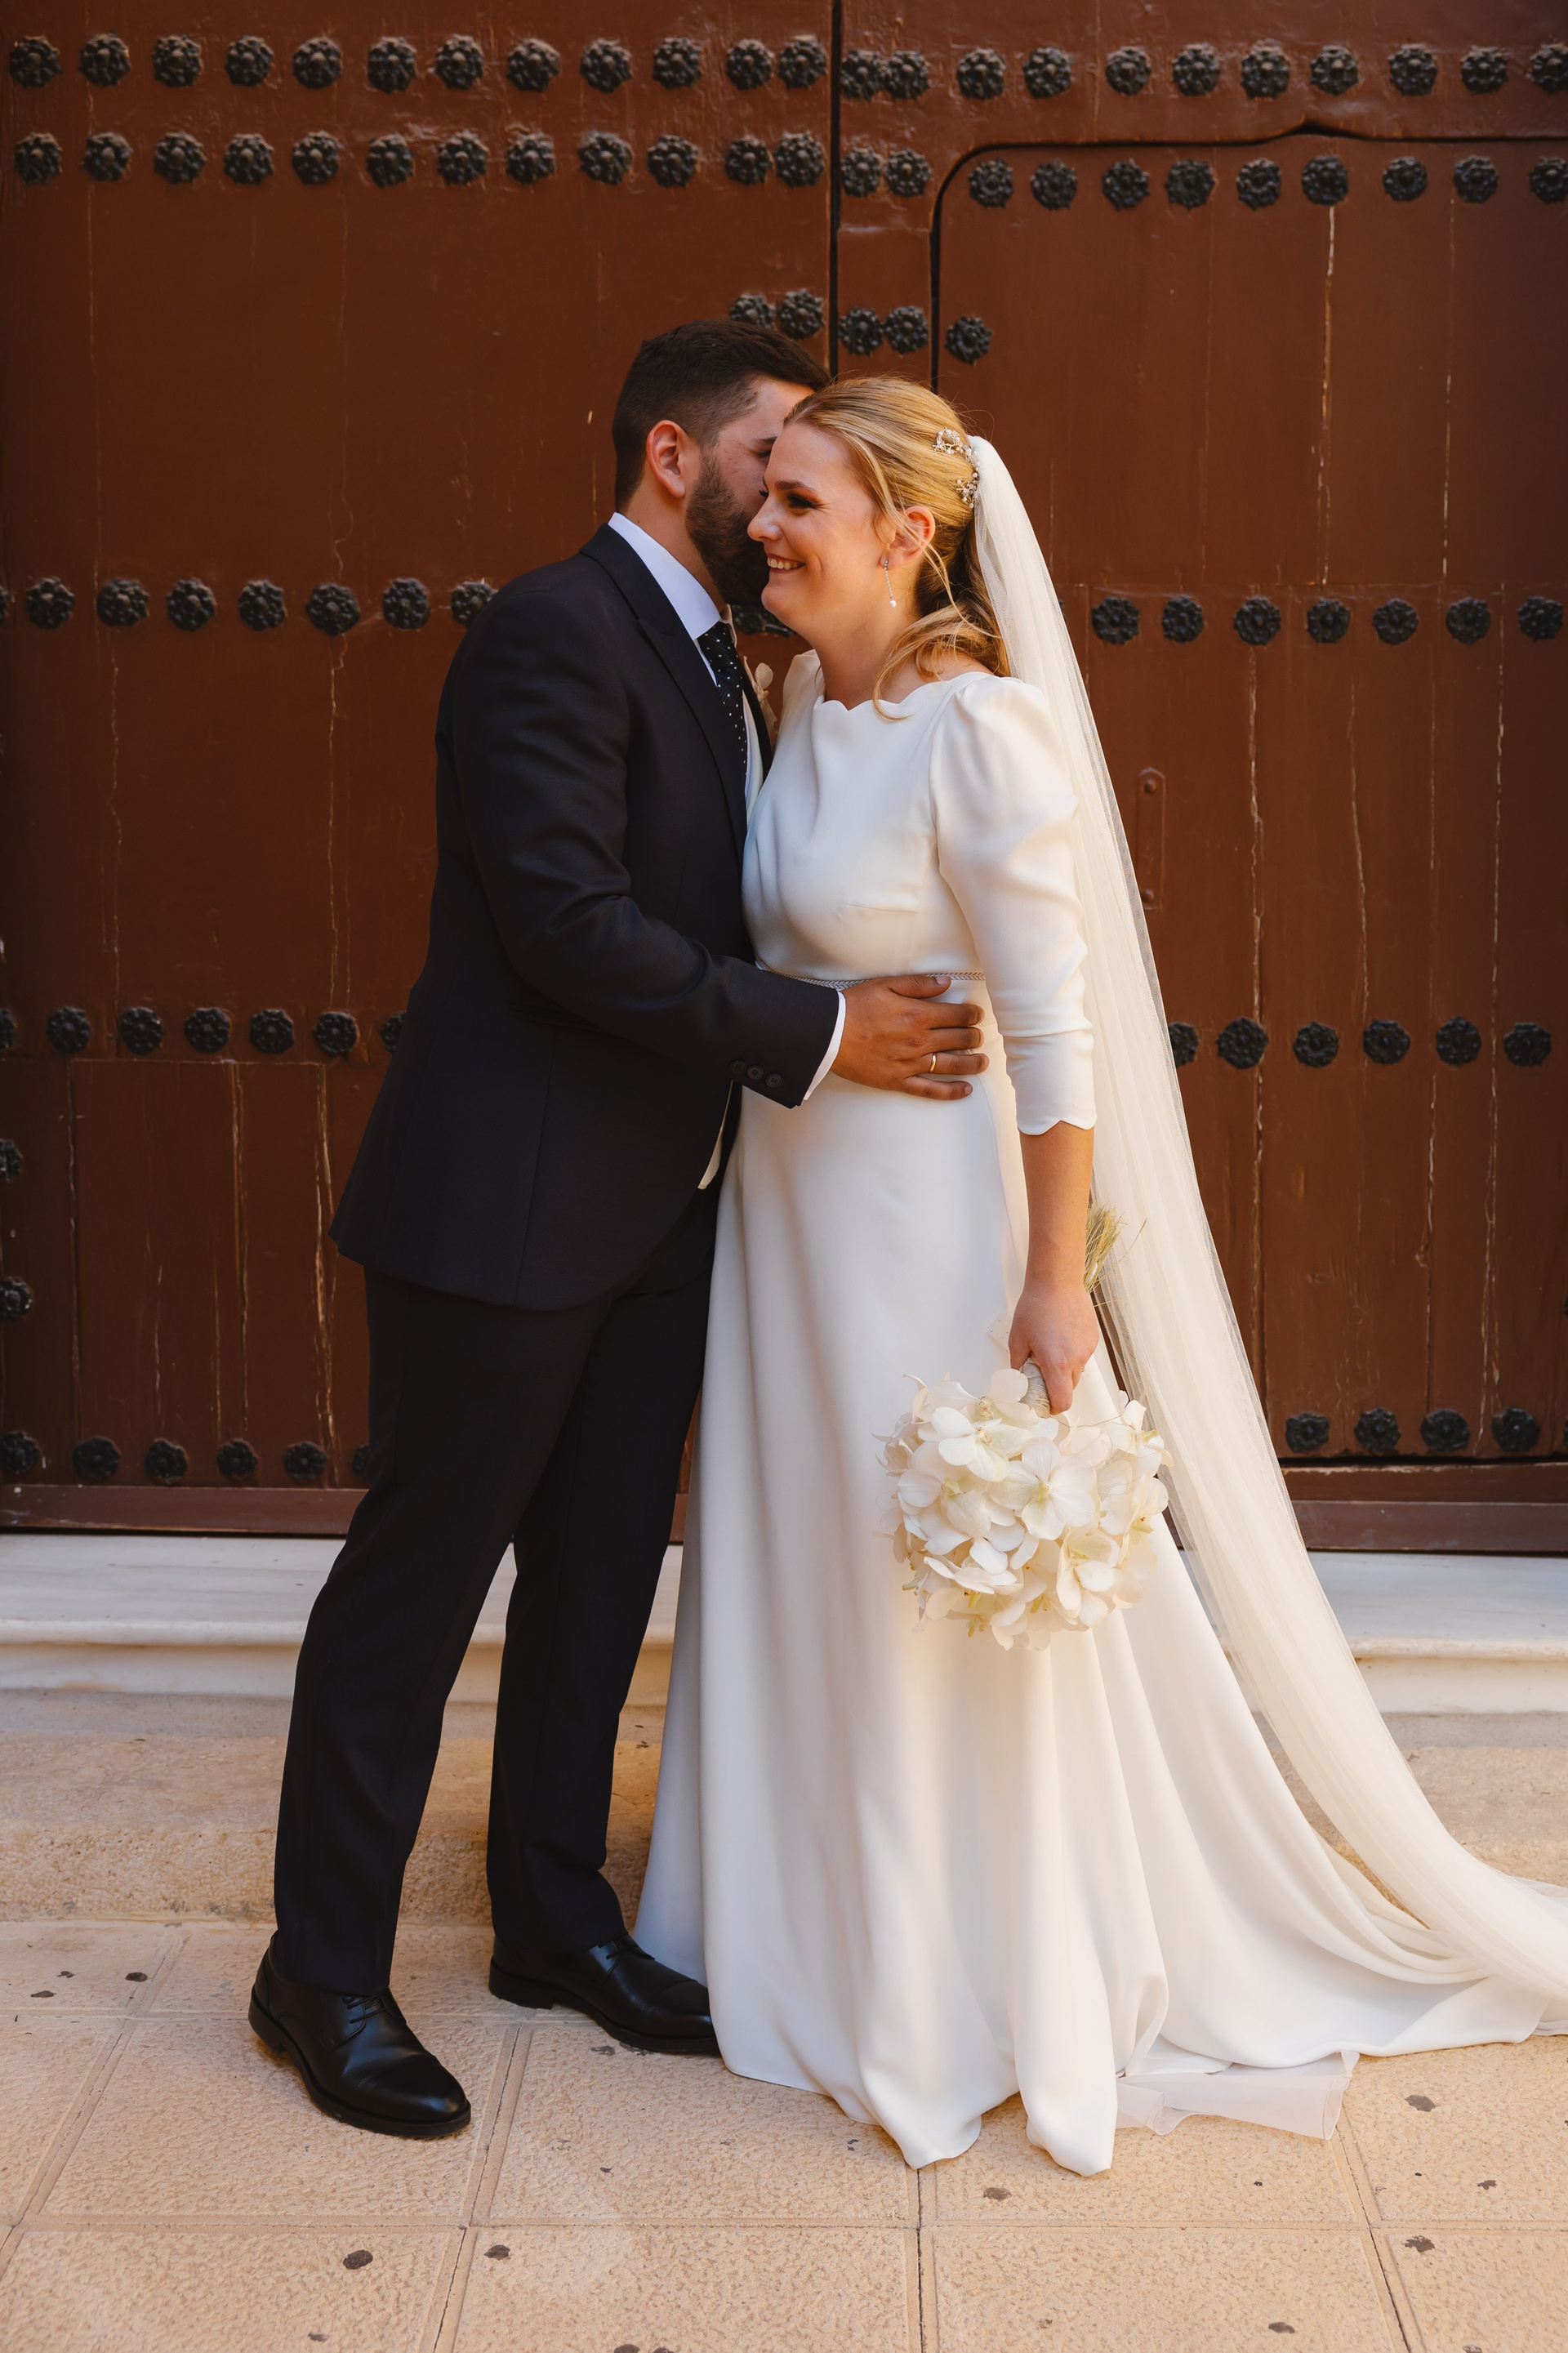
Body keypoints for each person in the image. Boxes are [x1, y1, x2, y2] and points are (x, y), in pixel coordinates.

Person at [635, 377, 1568, 2178]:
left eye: (805, 499)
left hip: (929, 1232)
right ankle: (794, 1921)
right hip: (792, 1227)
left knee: (925, 1591)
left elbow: (1058, 1038)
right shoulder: (799, 703)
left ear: (909, 531)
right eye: (771, 492)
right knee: (807, 1552)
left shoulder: (981, 729)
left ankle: (948, 1975)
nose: (767, 524)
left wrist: (1055, 1283)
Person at [252, 324, 991, 2138]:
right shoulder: (552, 630)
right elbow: (566, 925)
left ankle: (553, 1920)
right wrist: (824, 1034)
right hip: (502, 1212)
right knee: (417, 1594)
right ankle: (321, 1972)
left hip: (666, 1216)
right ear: (674, 456)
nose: (786, 500)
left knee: (594, 1590)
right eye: (769, 463)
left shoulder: (737, 665)